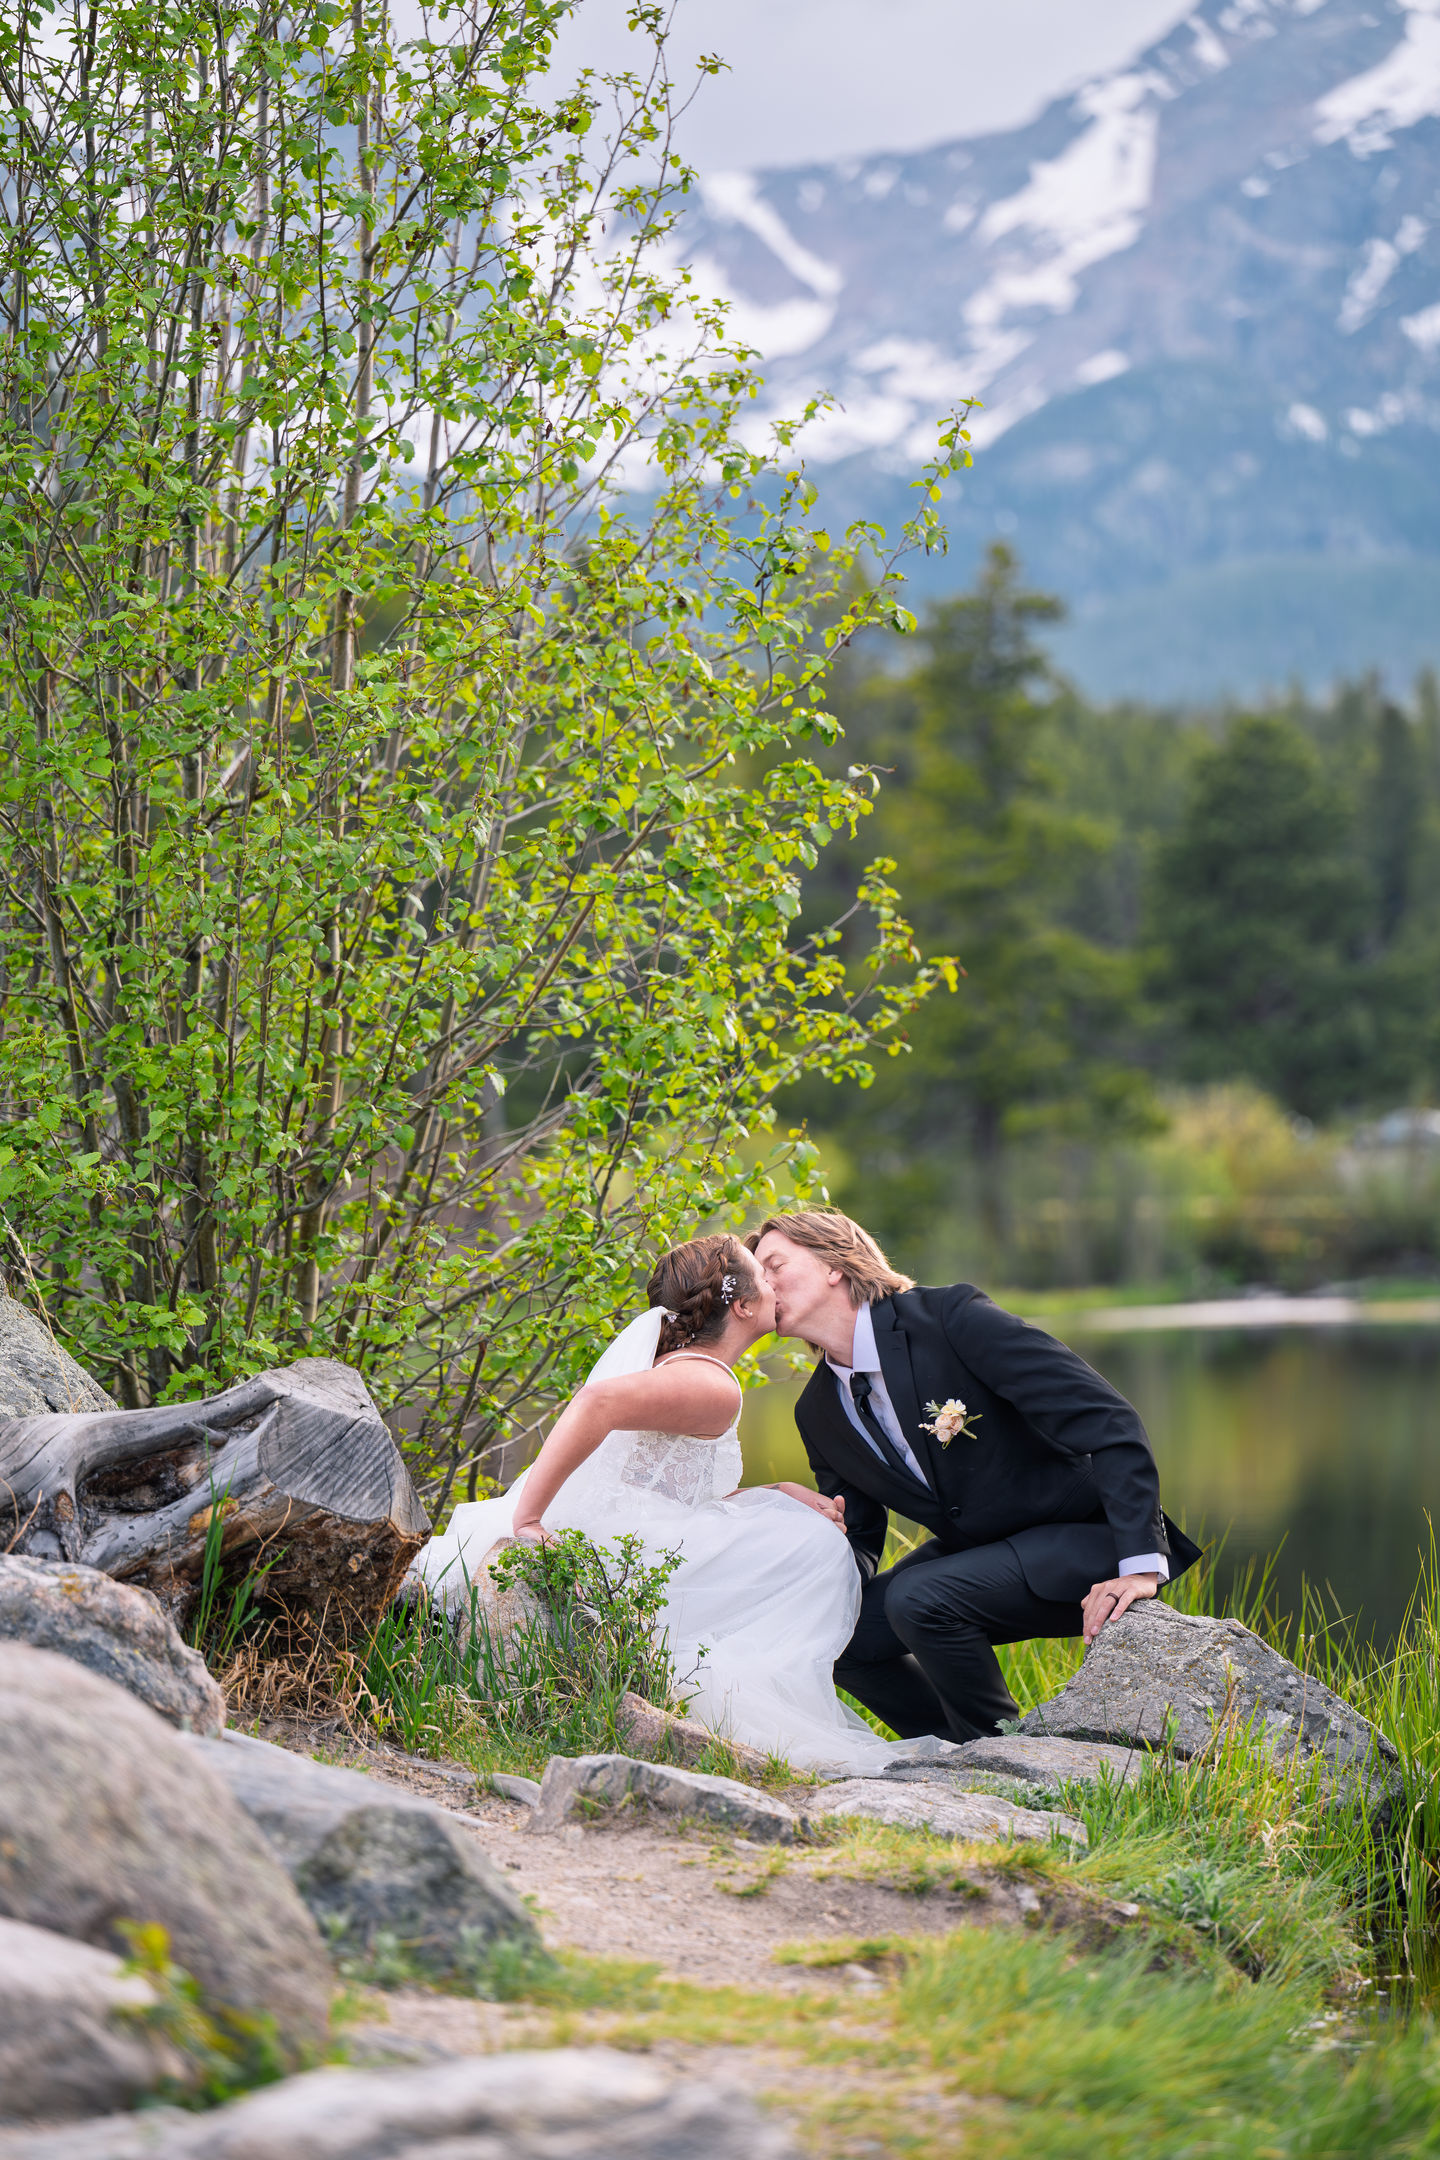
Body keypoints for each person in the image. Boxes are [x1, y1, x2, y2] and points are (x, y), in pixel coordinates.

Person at [408, 1233, 936, 1771]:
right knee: (817, 1548)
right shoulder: (711, 1385)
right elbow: (595, 1402)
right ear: (744, 1305)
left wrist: (777, 1491)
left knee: (799, 1529)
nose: (776, 1284)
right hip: (616, 1541)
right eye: (764, 1274)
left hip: (637, 1528)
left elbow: (669, 1488)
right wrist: (528, 1518)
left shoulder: (696, 1372)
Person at [748, 1209, 1201, 1744]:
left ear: (834, 1264)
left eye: (774, 1265)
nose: (763, 1285)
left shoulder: (949, 1319)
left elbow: (1109, 1421)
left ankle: (998, 1748)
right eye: (755, 1277)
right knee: (839, 1639)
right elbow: (861, 1541)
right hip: (982, 1560)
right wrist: (800, 1526)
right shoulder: (818, 1410)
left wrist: (1141, 1567)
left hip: (1091, 1541)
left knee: (918, 1595)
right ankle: (956, 1752)